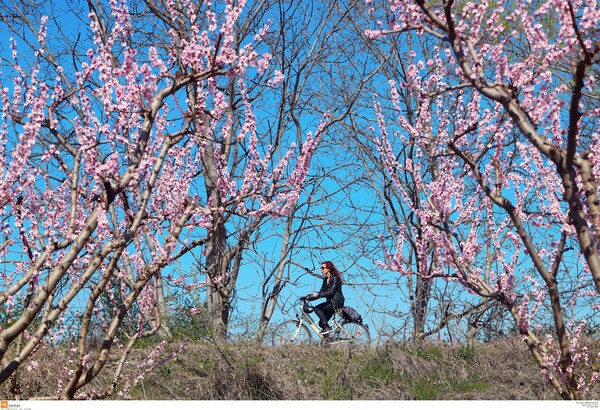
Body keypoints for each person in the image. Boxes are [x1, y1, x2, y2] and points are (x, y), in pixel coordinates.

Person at [308, 261, 345, 337]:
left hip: (336, 303)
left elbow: (331, 292)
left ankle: (327, 328)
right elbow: (321, 292)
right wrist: (309, 298)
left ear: (328, 269)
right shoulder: (325, 279)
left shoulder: (335, 279)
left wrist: (318, 294)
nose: (321, 269)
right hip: (331, 303)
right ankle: (328, 341)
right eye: (321, 268)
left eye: (323, 268)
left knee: (317, 308)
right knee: (321, 323)